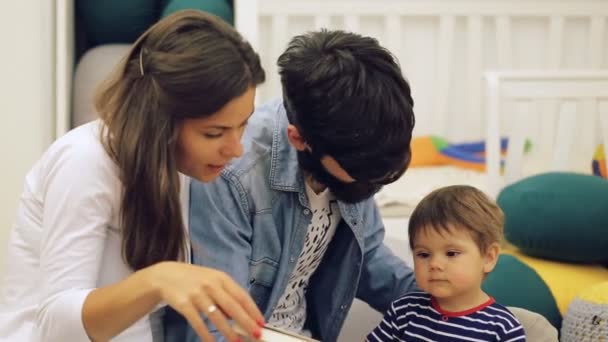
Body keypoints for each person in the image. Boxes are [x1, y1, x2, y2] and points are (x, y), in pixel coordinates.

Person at [0, 10, 267, 342]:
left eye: (242, 126)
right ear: (161, 123)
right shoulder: (85, 161)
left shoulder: (175, 166)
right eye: (215, 133)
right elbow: (57, 326)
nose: (236, 149)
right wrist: (158, 280)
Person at [164, 29, 418, 342]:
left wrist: (457, 304)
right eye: (361, 172)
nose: (372, 183)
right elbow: (218, 327)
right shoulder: (231, 174)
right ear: (299, 139)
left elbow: (368, 259)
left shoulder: (358, 148)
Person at [366, 185, 526, 342]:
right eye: (423, 254)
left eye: (451, 253)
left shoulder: (503, 328)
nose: (434, 264)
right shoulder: (403, 310)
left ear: (488, 257)